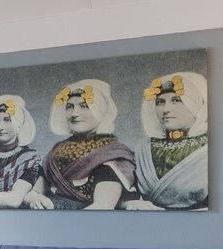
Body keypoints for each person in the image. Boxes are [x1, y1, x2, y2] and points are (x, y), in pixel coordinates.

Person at [42, 79, 135, 210]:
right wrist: (33, 196)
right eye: (69, 107)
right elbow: (36, 189)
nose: (74, 114)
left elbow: (102, 206)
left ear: (99, 110)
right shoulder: (56, 151)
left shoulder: (112, 153)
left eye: (84, 106)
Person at [125, 72, 209, 211]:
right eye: (160, 102)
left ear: (196, 104)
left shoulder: (210, 148)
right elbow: (125, 195)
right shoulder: (143, 147)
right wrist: (129, 204)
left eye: (176, 100)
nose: (166, 109)